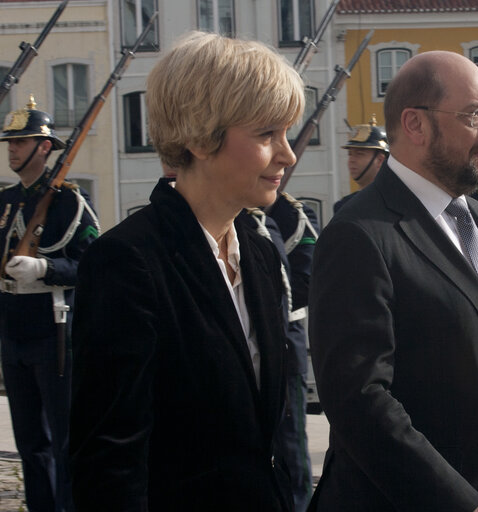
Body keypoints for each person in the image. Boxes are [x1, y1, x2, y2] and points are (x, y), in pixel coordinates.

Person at [309, 50, 478, 512]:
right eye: (477, 116)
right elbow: (360, 401)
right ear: (415, 125)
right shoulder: (360, 234)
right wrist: (460, 503)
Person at [69, 32, 304, 510]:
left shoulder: (258, 254)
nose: (287, 154)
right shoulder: (129, 262)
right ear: (200, 135)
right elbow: (110, 460)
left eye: (286, 134)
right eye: (266, 134)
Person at [0, 96, 99, 512]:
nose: (12, 150)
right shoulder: (5, 202)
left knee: (63, 440)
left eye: (21, 142)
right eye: (10, 143)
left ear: (44, 147)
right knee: (29, 443)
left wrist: (45, 268)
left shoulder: (68, 203)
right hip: (13, 330)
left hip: (53, 330)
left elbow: (93, 265)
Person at [250, 192, 319, 512]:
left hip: (286, 344)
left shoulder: (294, 216)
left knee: (291, 446)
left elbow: (306, 280)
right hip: (249, 347)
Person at [333, 115, 388, 214]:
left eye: (360, 154)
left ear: (380, 160)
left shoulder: (396, 201)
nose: (351, 160)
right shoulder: (343, 206)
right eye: (350, 154)